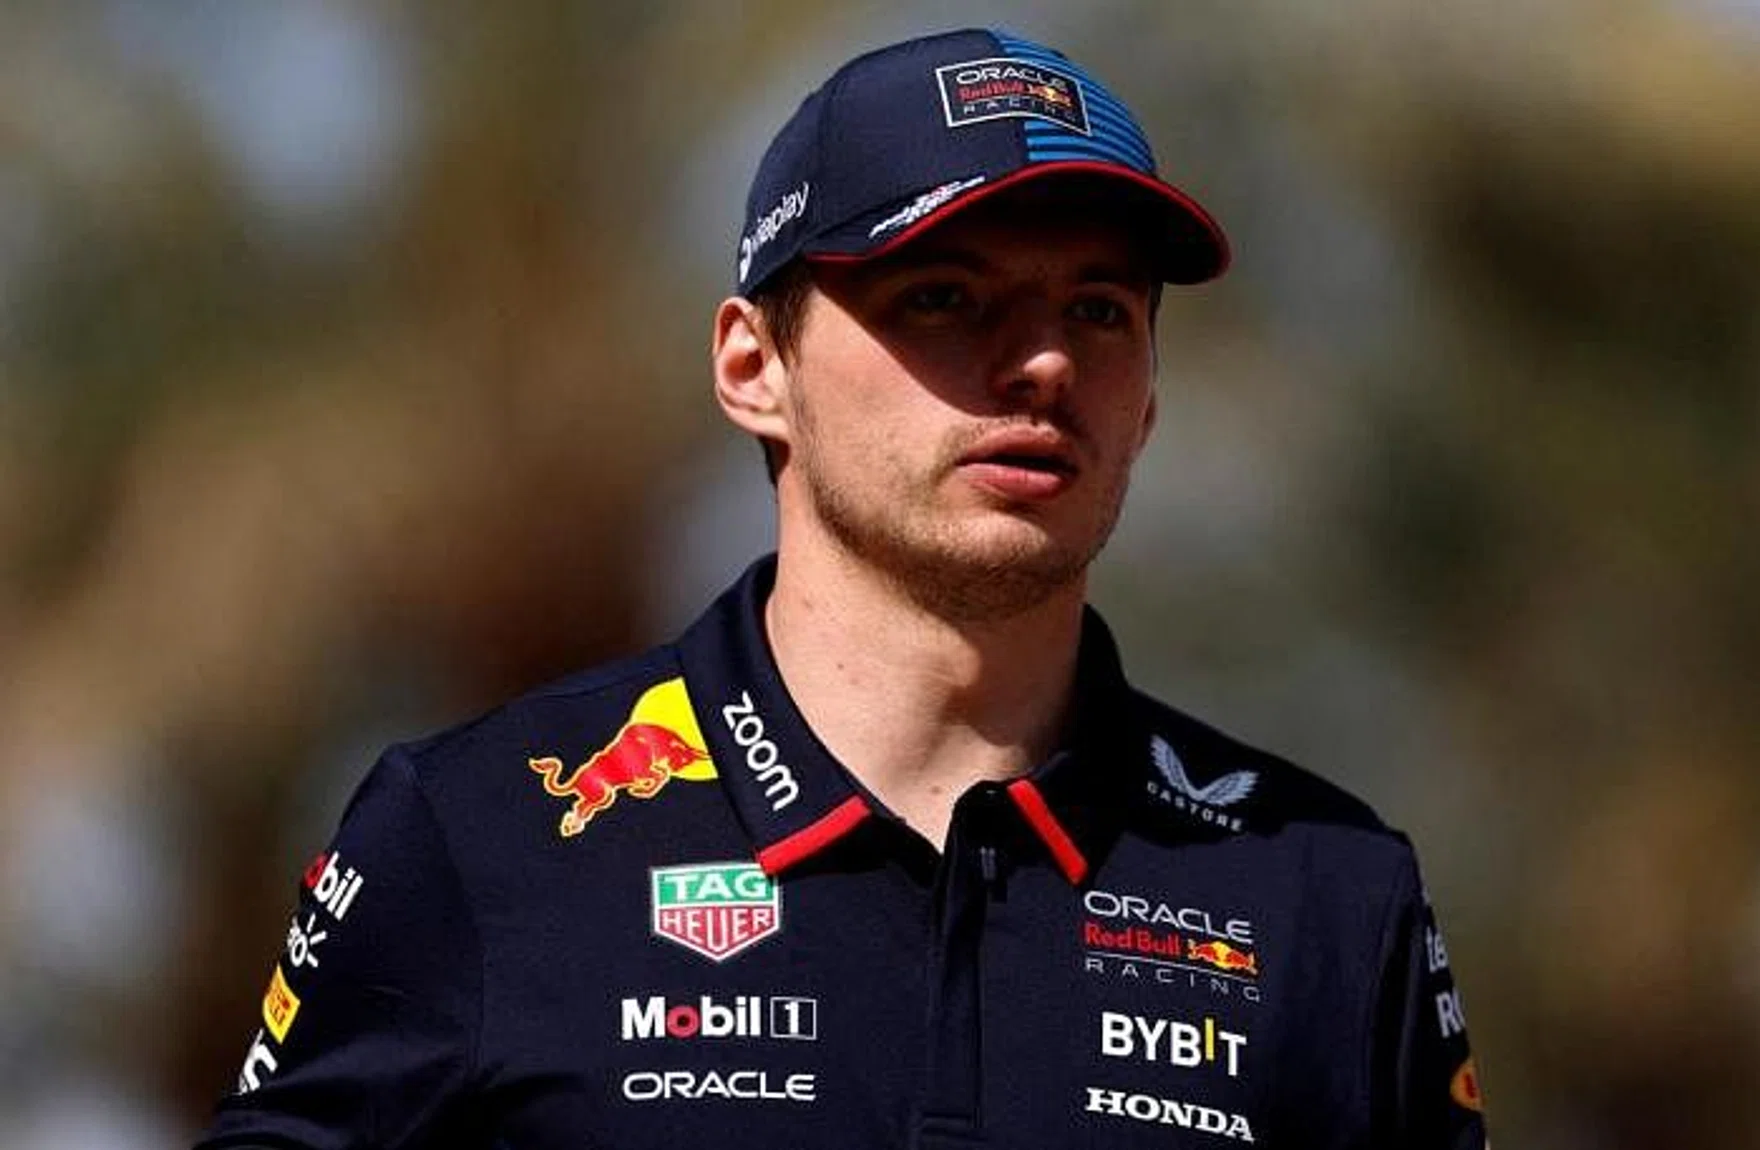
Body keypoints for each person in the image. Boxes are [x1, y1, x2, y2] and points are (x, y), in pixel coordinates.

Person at [195, 27, 1487, 1150]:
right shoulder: (479, 837)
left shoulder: (1325, 889)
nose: (1040, 359)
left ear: (1148, 394)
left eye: (1098, 311)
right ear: (756, 364)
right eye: (943, 295)